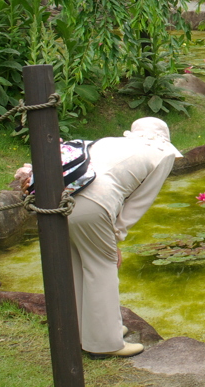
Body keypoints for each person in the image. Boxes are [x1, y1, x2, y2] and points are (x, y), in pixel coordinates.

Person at [70, 117, 181, 357]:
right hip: (94, 204)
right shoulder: (162, 155)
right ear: (164, 138)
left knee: (77, 265)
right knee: (102, 268)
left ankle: (84, 332)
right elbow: (139, 203)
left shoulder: (106, 142)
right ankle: (104, 344)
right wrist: (115, 236)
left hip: (61, 199)